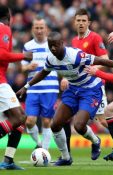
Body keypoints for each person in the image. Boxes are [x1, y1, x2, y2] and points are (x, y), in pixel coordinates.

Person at [16, 32, 113, 166]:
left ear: (62, 43)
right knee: (55, 124)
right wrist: (26, 86)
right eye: (50, 46)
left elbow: (101, 60)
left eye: (55, 45)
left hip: (90, 90)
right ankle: (66, 158)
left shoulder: (75, 55)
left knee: (79, 126)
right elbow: (43, 72)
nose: (53, 48)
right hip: (73, 90)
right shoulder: (51, 58)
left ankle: (95, 141)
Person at [71, 9, 113, 162]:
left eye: (84, 21)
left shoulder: (95, 38)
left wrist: (95, 69)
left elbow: (104, 58)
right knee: (103, 120)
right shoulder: (75, 41)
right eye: (78, 20)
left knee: (105, 120)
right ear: (75, 22)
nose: (81, 23)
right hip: (81, 86)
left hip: (95, 85)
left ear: (89, 23)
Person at [0, 5, 32, 170]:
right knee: (19, 117)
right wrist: (23, 55)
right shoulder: (3, 28)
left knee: (18, 119)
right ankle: (8, 161)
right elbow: (1, 54)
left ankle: (8, 160)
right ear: (9, 15)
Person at [21, 16, 60, 150]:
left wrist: (65, 78)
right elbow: (22, 67)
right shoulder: (28, 46)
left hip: (50, 88)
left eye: (41, 28)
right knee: (29, 121)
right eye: (36, 28)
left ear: (46, 29)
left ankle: (44, 150)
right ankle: (38, 143)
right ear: (32, 29)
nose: (39, 30)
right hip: (32, 88)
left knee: (46, 120)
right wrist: (28, 67)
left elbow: (61, 63)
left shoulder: (52, 46)